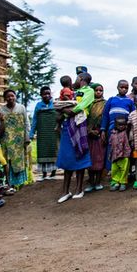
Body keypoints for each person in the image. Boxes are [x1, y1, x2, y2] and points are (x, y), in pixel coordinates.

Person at [56, 73, 94, 203]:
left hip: (79, 124)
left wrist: (66, 110)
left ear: (82, 79)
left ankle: (79, 189)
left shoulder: (89, 91)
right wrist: (63, 108)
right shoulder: (73, 92)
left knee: (80, 153)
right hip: (67, 125)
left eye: (77, 78)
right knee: (67, 155)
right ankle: (65, 191)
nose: (75, 79)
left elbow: (79, 107)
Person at [0, 90, 32, 189]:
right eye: (8, 97)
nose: (10, 98)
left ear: (15, 96)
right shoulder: (1, 110)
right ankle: (10, 182)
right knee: (8, 160)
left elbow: (26, 123)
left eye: (12, 96)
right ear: (5, 98)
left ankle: (20, 182)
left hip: (19, 139)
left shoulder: (21, 108)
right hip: (6, 139)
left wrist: (27, 137)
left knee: (19, 159)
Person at [28, 87, 58, 181]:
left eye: (48, 93)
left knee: (53, 150)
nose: (47, 95)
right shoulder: (38, 105)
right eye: (44, 94)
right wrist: (31, 134)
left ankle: (53, 173)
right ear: (41, 95)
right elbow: (35, 120)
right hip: (42, 132)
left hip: (53, 132)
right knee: (42, 151)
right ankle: (44, 174)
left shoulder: (55, 104)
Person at [85, 83, 106, 192]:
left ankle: (98, 182)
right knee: (90, 159)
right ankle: (91, 182)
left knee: (99, 158)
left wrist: (100, 131)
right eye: (96, 90)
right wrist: (89, 130)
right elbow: (84, 118)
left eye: (100, 90)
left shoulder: (105, 104)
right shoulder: (88, 103)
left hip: (99, 134)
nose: (98, 92)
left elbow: (105, 118)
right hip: (89, 135)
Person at [108, 116, 132, 191]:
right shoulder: (112, 133)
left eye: (123, 125)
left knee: (124, 169)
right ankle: (115, 182)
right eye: (119, 125)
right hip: (115, 155)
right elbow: (110, 143)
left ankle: (123, 182)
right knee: (114, 169)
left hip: (124, 155)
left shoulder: (126, 132)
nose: (122, 126)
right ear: (115, 125)